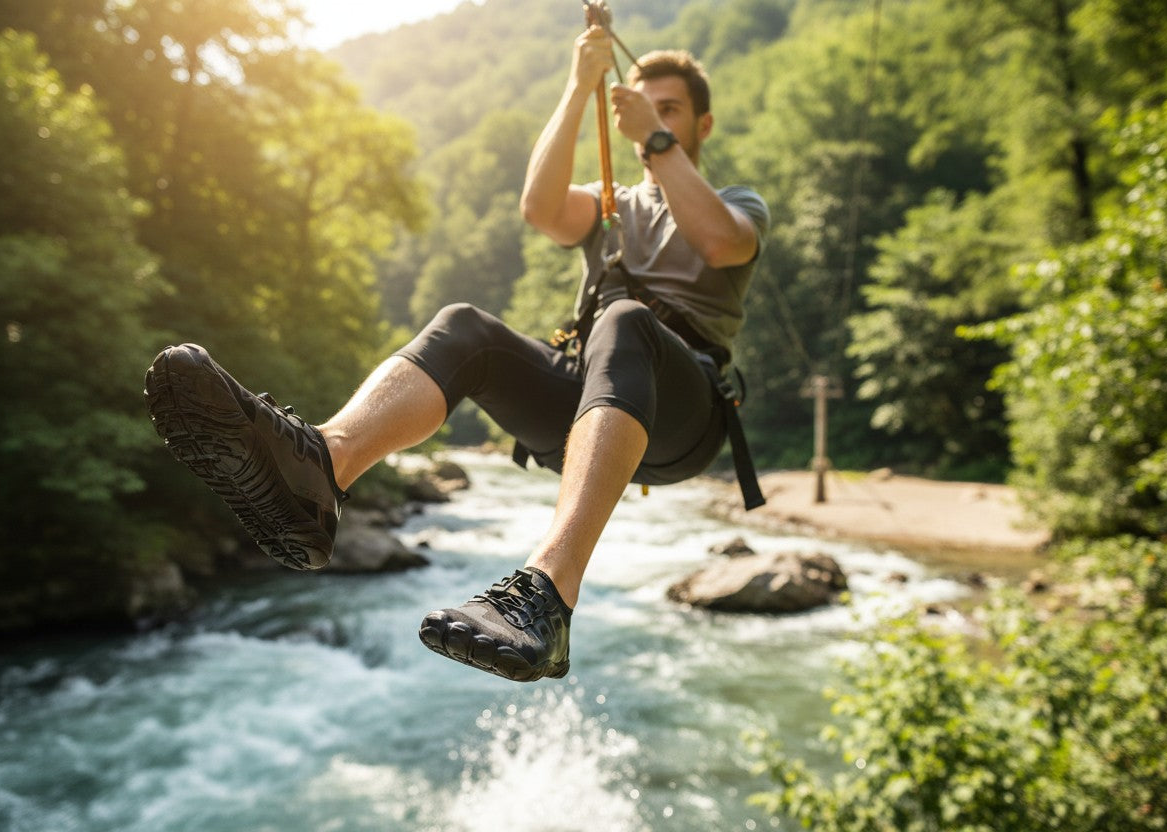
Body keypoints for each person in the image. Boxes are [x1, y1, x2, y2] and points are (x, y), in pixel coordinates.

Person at [144, 25, 769, 684]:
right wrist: (578, 85)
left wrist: (654, 136)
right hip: (589, 404)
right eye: (643, 108)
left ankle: (548, 595)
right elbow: (541, 207)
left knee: (626, 320)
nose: (653, 118)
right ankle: (322, 469)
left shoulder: (734, 202)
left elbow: (721, 244)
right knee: (465, 325)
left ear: (703, 124)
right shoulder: (611, 203)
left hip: (683, 415)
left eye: (669, 110)